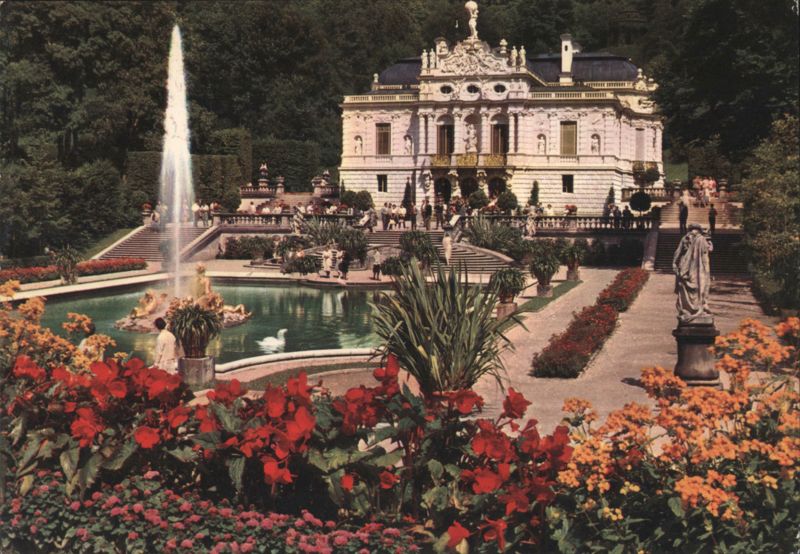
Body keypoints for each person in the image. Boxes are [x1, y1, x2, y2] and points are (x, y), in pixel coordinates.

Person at [672, 223, 714, 324]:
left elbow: (677, 252)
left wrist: (674, 263)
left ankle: (687, 309)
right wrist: (710, 243)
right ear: (699, 230)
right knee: (700, 286)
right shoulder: (701, 239)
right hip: (698, 267)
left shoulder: (685, 238)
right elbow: (709, 250)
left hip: (685, 266)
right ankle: (699, 307)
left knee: (686, 287)